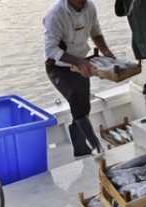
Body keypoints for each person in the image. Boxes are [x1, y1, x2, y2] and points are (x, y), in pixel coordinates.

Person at [43, 0, 114, 158]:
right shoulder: (55, 14)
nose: (84, 2)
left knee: (84, 105)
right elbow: (51, 49)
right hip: (58, 66)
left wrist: (106, 51)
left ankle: (81, 150)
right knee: (75, 98)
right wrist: (78, 62)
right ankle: (96, 146)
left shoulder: (89, 7)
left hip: (81, 61)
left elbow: (95, 31)